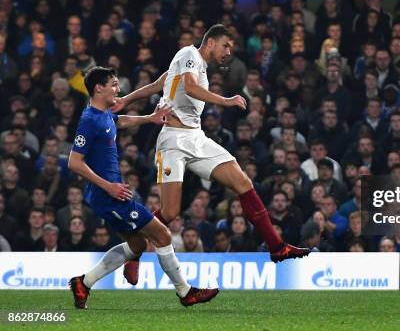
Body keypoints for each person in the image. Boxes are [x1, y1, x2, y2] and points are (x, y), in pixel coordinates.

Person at [112, 24, 310, 277]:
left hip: (196, 136)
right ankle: (134, 244)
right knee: (170, 212)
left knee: (243, 182)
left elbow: (161, 82)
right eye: (226, 45)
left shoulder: (197, 66)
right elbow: (191, 88)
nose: (229, 51)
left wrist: (126, 99)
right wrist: (226, 101)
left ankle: (276, 246)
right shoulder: (188, 54)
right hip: (173, 139)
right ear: (210, 42)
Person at [68, 67, 218, 309]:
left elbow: (120, 121)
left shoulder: (103, 114)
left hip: (109, 195)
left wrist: (150, 118)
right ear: (98, 88)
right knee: (162, 235)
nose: (119, 89)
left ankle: (84, 283)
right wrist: (109, 187)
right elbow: (74, 162)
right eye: (114, 84)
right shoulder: (89, 120)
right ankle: (185, 291)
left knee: (137, 245)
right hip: (110, 197)